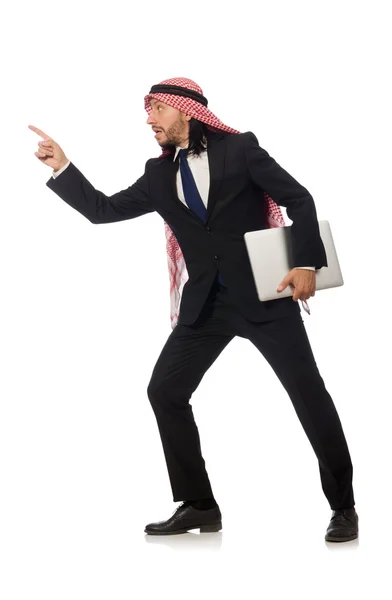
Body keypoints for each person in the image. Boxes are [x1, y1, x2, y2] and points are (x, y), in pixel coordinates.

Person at [29, 76, 358, 542]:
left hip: (266, 297)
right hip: (206, 304)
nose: (148, 120)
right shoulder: (159, 174)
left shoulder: (241, 150)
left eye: (156, 110)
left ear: (186, 110)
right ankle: (199, 504)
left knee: (308, 396)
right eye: (147, 112)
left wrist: (306, 263)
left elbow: (298, 200)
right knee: (165, 391)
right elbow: (103, 210)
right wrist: (63, 167)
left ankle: (343, 506)